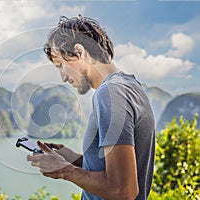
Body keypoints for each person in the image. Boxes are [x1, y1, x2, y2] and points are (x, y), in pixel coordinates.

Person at [27, 15, 155, 200]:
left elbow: (124, 190)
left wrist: (64, 170)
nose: (63, 77)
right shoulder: (130, 86)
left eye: (60, 65)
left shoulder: (110, 93)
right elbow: (113, 170)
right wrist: (73, 159)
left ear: (80, 52)